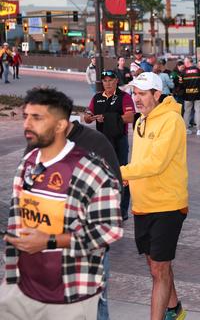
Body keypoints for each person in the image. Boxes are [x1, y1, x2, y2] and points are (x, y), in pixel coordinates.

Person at [1, 87, 122, 319]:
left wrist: (51, 240)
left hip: (76, 275)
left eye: (37, 118)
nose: (28, 124)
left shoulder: (94, 151)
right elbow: (20, 212)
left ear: (60, 125)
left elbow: (109, 226)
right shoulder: (30, 157)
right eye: (26, 116)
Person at [121, 72, 189, 320]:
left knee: (159, 269)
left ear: (157, 95)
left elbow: (156, 164)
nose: (136, 98)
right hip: (142, 205)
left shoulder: (171, 121)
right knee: (156, 267)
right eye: (135, 93)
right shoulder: (141, 121)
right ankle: (175, 309)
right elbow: (139, 162)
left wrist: (118, 172)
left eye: (142, 93)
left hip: (167, 205)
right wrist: (126, 178)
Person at [84, 70, 135, 220]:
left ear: (116, 81)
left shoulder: (124, 97)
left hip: (120, 140)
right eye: (105, 81)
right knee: (101, 173)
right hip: (102, 141)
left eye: (111, 80)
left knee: (122, 174)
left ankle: (123, 209)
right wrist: (90, 116)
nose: (108, 83)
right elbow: (87, 117)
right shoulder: (97, 97)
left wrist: (106, 117)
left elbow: (130, 117)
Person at [179, 56, 200, 136]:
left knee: (187, 111)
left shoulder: (183, 72)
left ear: (188, 62)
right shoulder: (199, 71)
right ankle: (199, 130)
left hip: (187, 95)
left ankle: (186, 129)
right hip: (198, 94)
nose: (184, 64)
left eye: (185, 62)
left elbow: (180, 84)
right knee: (198, 111)